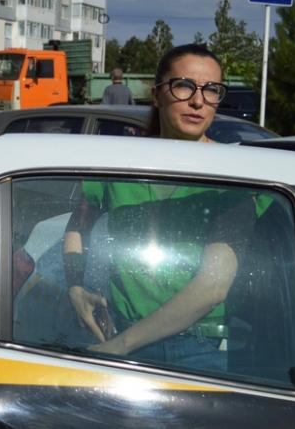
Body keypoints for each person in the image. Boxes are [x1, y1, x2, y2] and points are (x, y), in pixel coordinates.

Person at [63, 44, 253, 370]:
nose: (197, 101)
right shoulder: (120, 165)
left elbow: (212, 287)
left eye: (211, 90)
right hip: (120, 331)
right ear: (156, 95)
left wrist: (118, 348)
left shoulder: (234, 175)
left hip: (200, 348)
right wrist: (75, 286)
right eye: (183, 86)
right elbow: (78, 224)